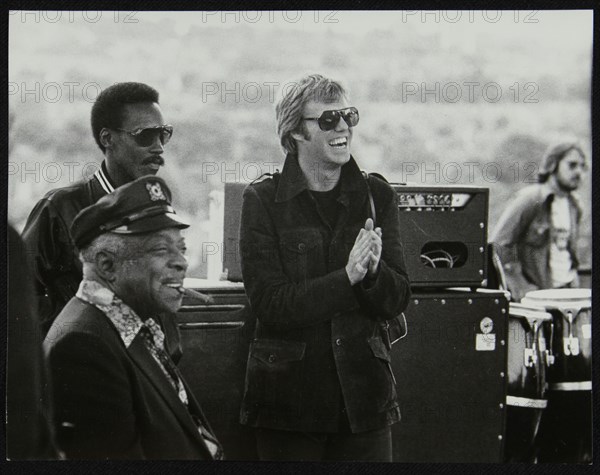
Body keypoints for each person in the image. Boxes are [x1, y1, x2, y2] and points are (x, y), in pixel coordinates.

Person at [238, 74, 411, 461]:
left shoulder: (376, 195)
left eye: (348, 116)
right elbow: (271, 304)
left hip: (365, 406)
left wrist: (372, 275)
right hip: (289, 408)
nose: (344, 127)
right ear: (296, 132)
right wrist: (347, 278)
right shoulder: (263, 200)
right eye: (329, 120)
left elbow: (397, 297)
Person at [44, 176, 223, 460]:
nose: (182, 262)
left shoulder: (129, 325)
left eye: (182, 248)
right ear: (107, 264)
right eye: (161, 249)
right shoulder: (83, 348)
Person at [22, 81, 174, 336]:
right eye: (145, 136)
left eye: (163, 134)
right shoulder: (60, 208)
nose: (158, 147)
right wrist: (81, 332)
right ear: (107, 139)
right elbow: (18, 296)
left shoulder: (156, 209)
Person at [491, 142, 587, 301]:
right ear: (553, 165)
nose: (578, 172)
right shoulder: (531, 199)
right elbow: (499, 243)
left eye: (582, 167)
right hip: (538, 298)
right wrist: (521, 286)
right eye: (572, 165)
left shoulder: (575, 205)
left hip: (567, 294)